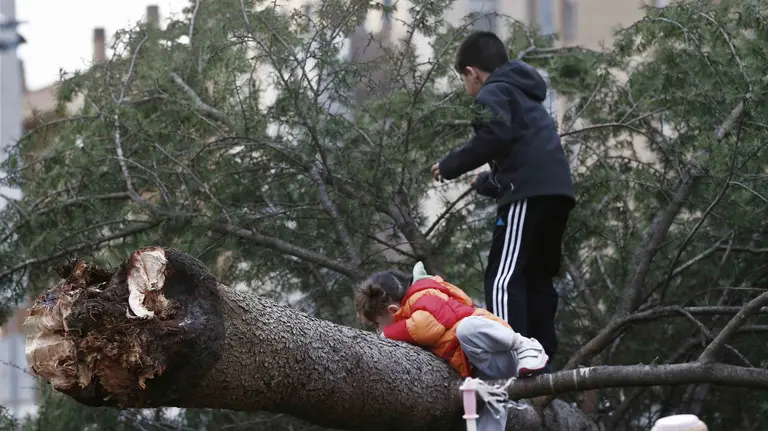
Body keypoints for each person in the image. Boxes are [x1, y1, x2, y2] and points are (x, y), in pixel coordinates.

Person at [429, 31, 575, 370]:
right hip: (556, 193)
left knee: (502, 277)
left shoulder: (491, 93)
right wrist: (487, 182)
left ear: (472, 73)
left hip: (528, 192)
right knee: (536, 277)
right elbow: (523, 149)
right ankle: (542, 360)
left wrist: (450, 165)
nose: (466, 87)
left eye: (463, 79)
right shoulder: (525, 95)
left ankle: (510, 356)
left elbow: (496, 135)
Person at [355, 262, 548, 430]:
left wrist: (387, 334)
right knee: (486, 407)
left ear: (393, 310)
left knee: (467, 328)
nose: (378, 331)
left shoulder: (424, 294)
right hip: (486, 367)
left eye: (377, 325)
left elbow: (427, 327)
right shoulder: (411, 311)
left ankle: (524, 345)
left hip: (500, 350)